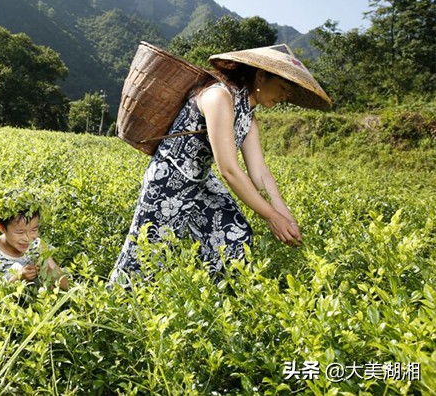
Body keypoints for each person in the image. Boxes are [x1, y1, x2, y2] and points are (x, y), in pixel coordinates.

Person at [110, 44, 332, 287]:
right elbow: (228, 169)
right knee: (144, 259)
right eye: (282, 87)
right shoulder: (218, 96)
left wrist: (282, 212)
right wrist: (270, 216)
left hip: (201, 180)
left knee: (235, 234)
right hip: (169, 181)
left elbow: (259, 172)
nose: (284, 97)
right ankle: (107, 311)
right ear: (261, 76)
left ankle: (214, 298)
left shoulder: (248, 115)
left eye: (289, 92)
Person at [0, 205, 69, 292]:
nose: (28, 238)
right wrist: (18, 278)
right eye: (20, 232)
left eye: (34, 230)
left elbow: (66, 286)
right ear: (2, 228)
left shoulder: (37, 245)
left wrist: (48, 269)